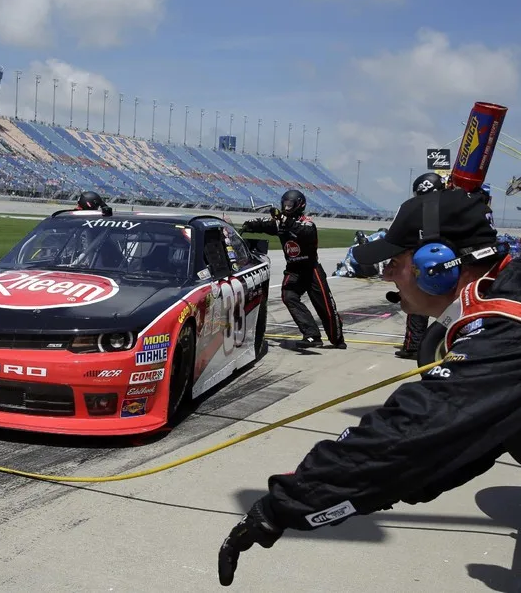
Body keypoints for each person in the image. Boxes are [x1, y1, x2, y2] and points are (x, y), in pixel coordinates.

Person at [218, 188, 513, 587]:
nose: (387, 274)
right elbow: (460, 447)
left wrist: (281, 507)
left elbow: (412, 435)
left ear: (437, 265)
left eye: (395, 261)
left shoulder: (505, 329)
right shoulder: (502, 296)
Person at [241, 189, 345, 349]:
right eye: (285, 204)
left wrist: (284, 220)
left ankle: (337, 338)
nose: (286, 208)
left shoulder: (307, 222)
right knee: (288, 296)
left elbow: (304, 232)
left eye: (290, 205)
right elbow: (264, 224)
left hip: (312, 269)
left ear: (299, 205)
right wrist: (249, 226)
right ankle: (312, 335)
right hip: (293, 269)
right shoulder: (280, 223)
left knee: (325, 306)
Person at [394, 172, 446, 359]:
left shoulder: (420, 210)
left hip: (425, 263)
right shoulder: (453, 206)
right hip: (450, 265)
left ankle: (413, 346)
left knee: (417, 305)